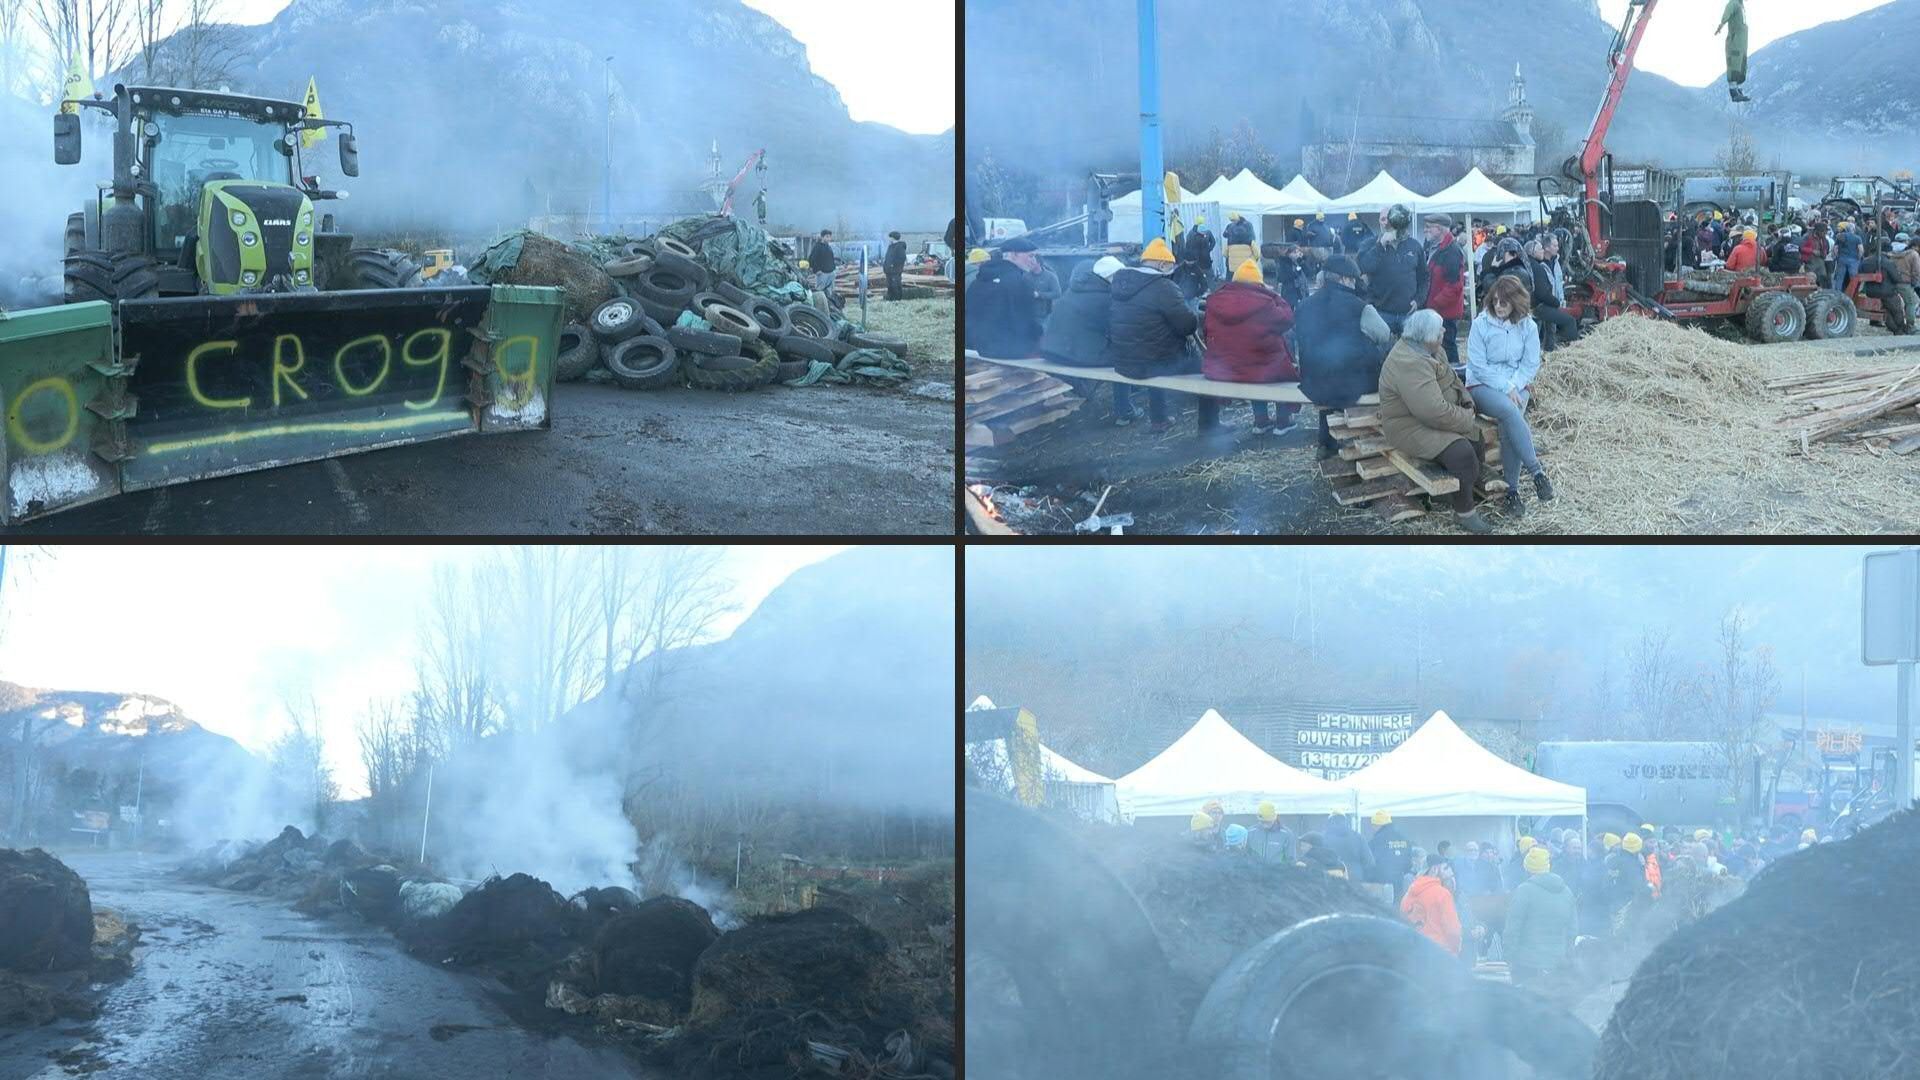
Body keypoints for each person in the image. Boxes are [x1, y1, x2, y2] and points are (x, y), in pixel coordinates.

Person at [1377, 309, 1493, 533]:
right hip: (1407, 425)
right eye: (1439, 329)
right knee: (1462, 453)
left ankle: (1460, 490)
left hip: (1427, 417)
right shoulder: (1408, 362)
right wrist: (1465, 419)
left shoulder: (1432, 350)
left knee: (1476, 439)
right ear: (1427, 336)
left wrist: (1466, 402)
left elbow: (1453, 382)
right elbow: (1432, 412)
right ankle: (1464, 512)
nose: (1443, 331)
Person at [1466, 275, 1554, 517]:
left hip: (1518, 385)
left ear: (1516, 302)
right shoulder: (1480, 324)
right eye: (1495, 301)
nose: (1498, 306)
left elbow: (1530, 363)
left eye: (1504, 302)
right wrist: (1506, 388)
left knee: (1508, 426)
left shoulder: (1528, 326)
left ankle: (1512, 494)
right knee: (1508, 410)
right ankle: (1537, 472)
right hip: (1483, 385)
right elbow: (1477, 364)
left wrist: (1514, 385)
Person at [1295, 255, 1392, 456]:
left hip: (1312, 383)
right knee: (1375, 356)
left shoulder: (1304, 305)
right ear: (1345, 279)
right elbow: (1384, 335)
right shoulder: (1360, 306)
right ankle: (1364, 438)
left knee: (1328, 375)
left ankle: (1325, 442)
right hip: (1353, 384)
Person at [1108, 237, 1198, 432]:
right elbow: (1187, 326)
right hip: (1152, 365)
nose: (1171, 272)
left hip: (1124, 363)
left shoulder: (1120, 282)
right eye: (1171, 267)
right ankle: (1210, 426)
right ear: (1162, 264)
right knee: (1206, 369)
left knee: (1153, 346)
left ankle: (1159, 420)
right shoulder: (1163, 287)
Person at [1203, 259, 1301, 436]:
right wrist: (1274, 296)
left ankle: (1261, 421)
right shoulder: (1265, 302)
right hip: (1261, 369)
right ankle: (1283, 422)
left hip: (1227, 370)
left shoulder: (1215, 300)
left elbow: (1206, 332)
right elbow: (1287, 319)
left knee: (1255, 365)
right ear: (1258, 283)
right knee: (1277, 368)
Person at [1038, 258, 1120, 385]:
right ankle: (1121, 402)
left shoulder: (1071, 291)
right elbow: (1119, 330)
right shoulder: (1106, 298)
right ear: (1110, 276)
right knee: (1129, 358)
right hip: (1077, 358)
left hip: (1051, 352)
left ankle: (1082, 391)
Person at [1504, 845, 1577, 985]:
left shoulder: (1524, 891)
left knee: (1526, 1004)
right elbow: (1573, 929)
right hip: (1557, 963)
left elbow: (1512, 928)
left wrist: (1509, 957)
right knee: (1552, 1004)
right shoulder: (1567, 891)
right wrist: (1566, 956)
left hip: (1527, 964)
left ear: (1527, 868)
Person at [964, 250, 1047, 359]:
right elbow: (1024, 317)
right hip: (1010, 349)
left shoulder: (978, 281)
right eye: (1030, 256)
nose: (1032, 260)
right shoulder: (1018, 282)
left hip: (980, 344)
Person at [1358, 204, 1426, 335]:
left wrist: (1419, 300)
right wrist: (1380, 245)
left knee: (1409, 353)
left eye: (1391, 219)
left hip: (1408, 313)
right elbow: (1363, 268)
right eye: (1383, 219)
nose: (1387, 223)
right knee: (1382, 353)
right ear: (1379, 221)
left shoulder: (1415, 246)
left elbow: (1424, 277)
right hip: (1381, 312)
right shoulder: (1369, 244)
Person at [1421, 214, 1467, 371]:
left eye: (1428, 227)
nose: (1425, 230)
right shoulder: (1432, 247)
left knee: (1448, 347)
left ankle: (1456, 378)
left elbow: (1455, 286)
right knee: (1437, 349)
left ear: (1439, 228)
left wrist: (1433, 305)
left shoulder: (1452, 251)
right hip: (1435, 310)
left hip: (1445, 312)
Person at [1522, 238, 1580, 352]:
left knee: (1549, 329)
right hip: (1539, 307)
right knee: (1570, 321)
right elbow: (1542, 293)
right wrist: (1556, 302)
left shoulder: (1529, 264)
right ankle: (1571, 350)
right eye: (1540, 249)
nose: (1542, 251)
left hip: (1532, 305)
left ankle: (1549, 349)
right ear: (1532, 253)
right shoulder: (1537, 267)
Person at [1400, 854, 1463, 955]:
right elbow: (1453, 931)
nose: (1450, 872)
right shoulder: (1442, 894)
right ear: (1434, 869)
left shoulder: (1407, 896)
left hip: (1414, 956)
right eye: (1446, 868)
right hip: (1440, 955)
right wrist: (1455, 950)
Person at [1367, 810, 1413, 901]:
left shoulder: (1376, 841)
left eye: (1373, 825)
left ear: (1378, 825)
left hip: (1381, 882)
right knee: (1397, 907)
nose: (1372, 828)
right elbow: (1408, 863)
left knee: (1383, 909)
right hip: (1399, 881)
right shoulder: (1404, 838)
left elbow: (1370, 862)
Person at [1320, 813, 1374, 881]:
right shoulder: (1358, 837)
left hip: (1331, 878)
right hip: (1355, 878)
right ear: (1346, 821)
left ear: (1329, 822)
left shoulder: (1323, 838)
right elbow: (1369, 862)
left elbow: (1319, 860)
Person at [1179, 217, 1216, 299]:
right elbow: (1213, 242)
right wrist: (1209, 250)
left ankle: (1199, 295)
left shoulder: (1190, 234)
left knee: (1197, 278)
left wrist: (1191, 258)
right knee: (1209, 277)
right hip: (1204, 261)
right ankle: (1211, 294)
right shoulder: (1207, 232)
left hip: (1196, 262)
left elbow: (1187, 247)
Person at [1835, 221, 1864, 293]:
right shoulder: (1857, 238)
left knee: (1840, 278)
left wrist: (1837, 256)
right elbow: (1861, 250)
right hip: (1853, 260)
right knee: (1853, 278)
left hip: (1842, 258)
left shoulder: (1840, 236)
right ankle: (1853, 293)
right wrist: (1859, 257)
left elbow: (1835, 248)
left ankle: (1837, 293)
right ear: (1853, 229)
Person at [808, 229, 837, 295]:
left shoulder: (828, 247)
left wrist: (834, 268)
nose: (829, 238)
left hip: (831, 273)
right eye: (827, 236)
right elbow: (811, 259)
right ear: (822, 237)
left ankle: (830, 304)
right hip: (822, 274)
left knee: (830, 292)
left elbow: (830, 258)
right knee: (820, 292)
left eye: (830, 237)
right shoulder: (817, 247)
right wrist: (816, 270)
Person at [883, 230, 907, 301]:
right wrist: (885, 266)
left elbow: (902, 258)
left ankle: (897, 300)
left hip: (895, 271)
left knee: (895, 285)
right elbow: (887, 258)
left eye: (890, 237)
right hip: (889, 271)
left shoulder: (900, 246)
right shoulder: (890, 246)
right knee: (889, 286)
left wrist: (893, 265)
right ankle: (890, 300)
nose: (889, 239)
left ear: (893, 238)